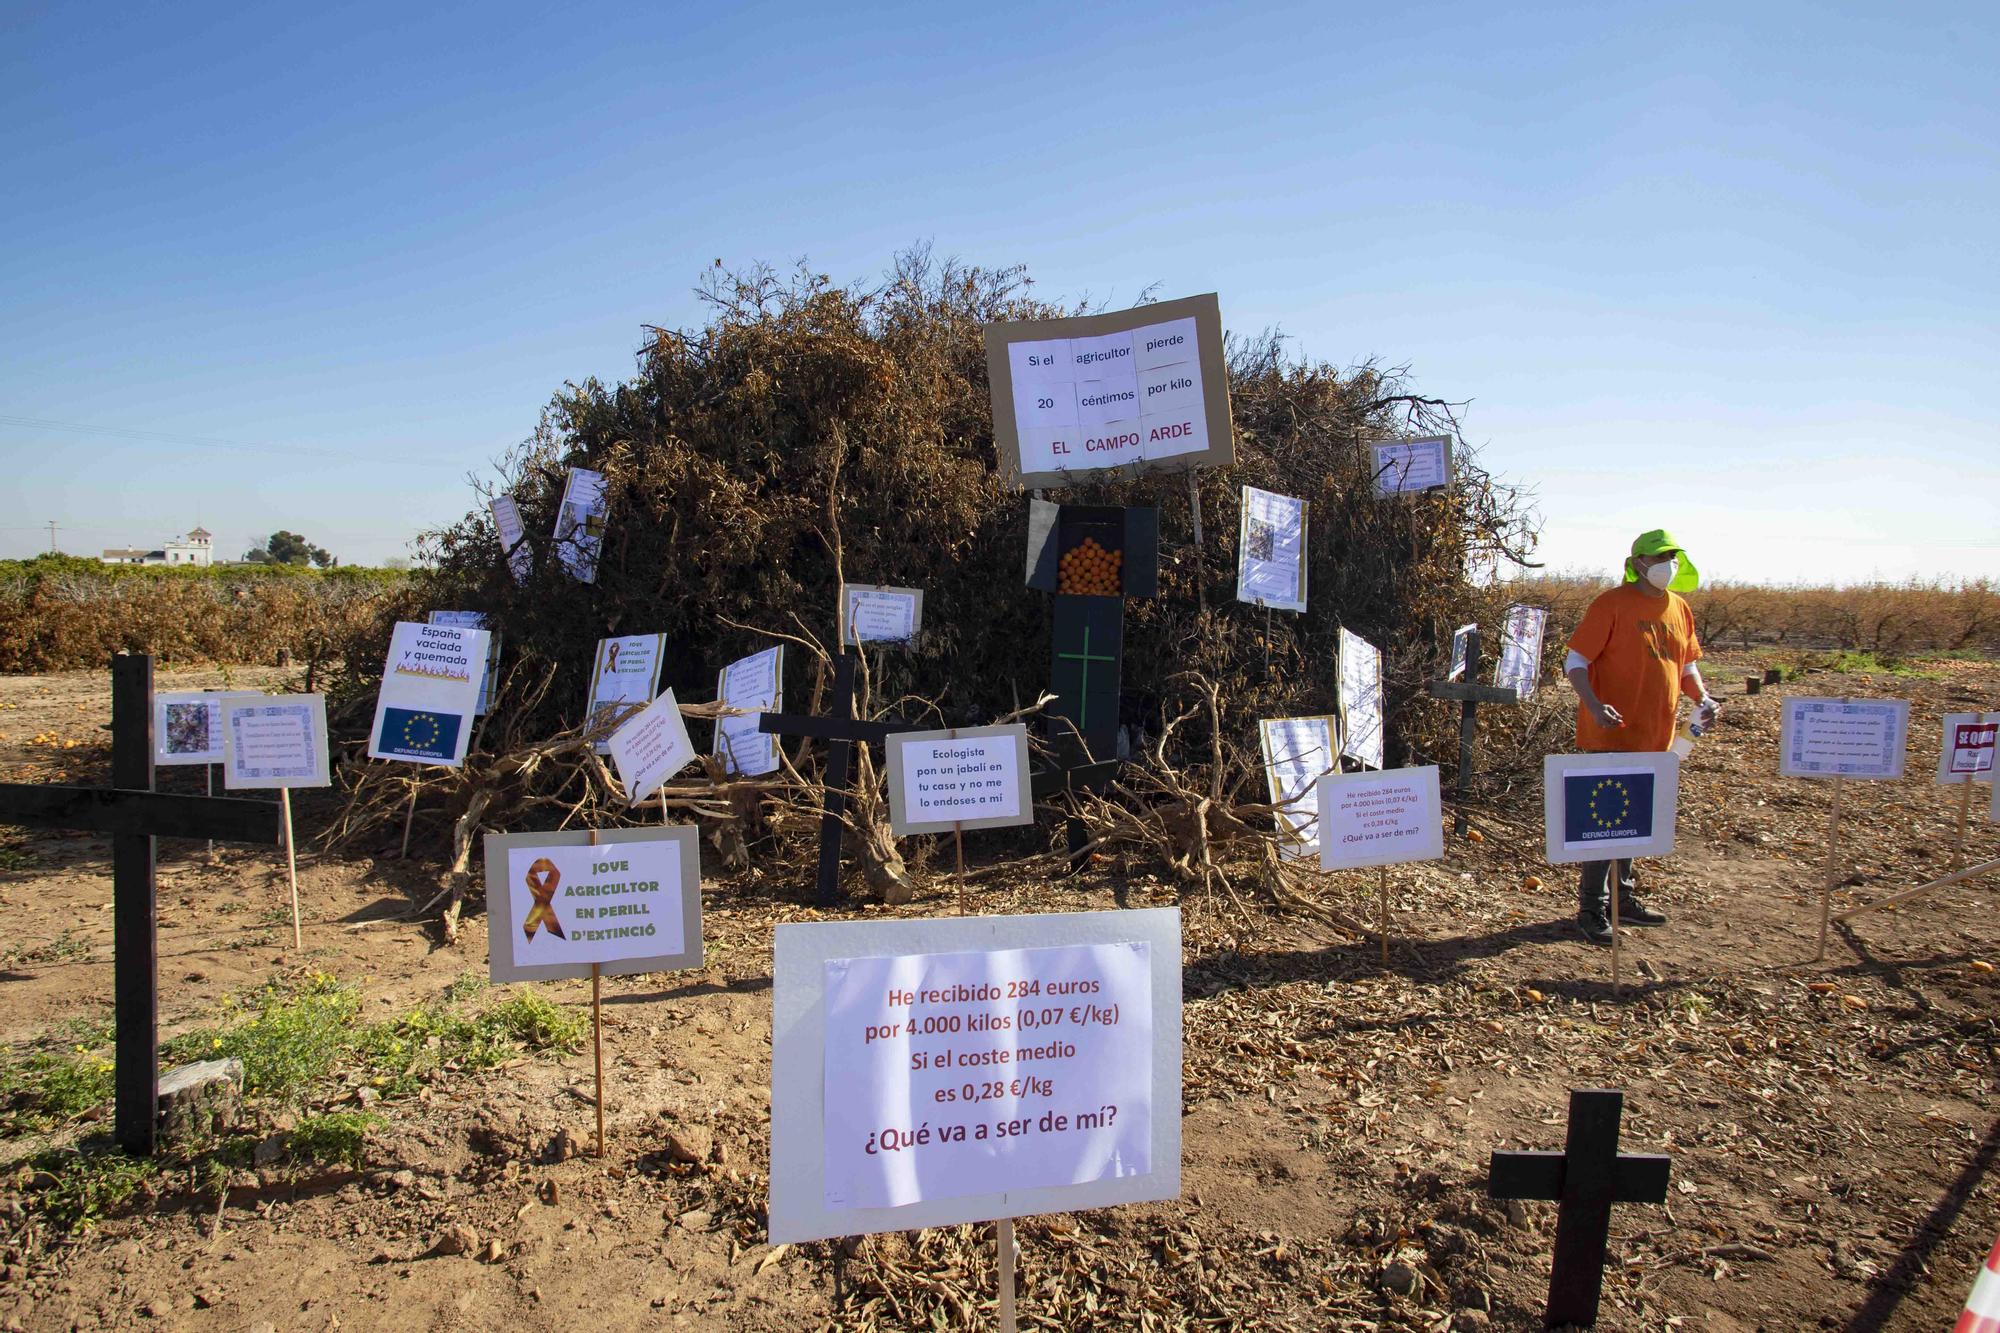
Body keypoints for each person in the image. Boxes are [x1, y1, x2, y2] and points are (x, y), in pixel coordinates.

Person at [1563, 530, 1717, 945]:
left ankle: (1623, 899)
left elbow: (1685, 666)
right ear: (1640, 563)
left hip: (1656, 735)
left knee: (1632, 822)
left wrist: (1702, 697)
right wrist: (1594, 704)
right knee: (1603, 822)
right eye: (1661, 557)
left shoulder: (1679, 608)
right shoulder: (1610, 604)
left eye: (1674, 557)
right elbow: (1575, 660)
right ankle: (1591, 907)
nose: (1669, 565)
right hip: (1609, 736)